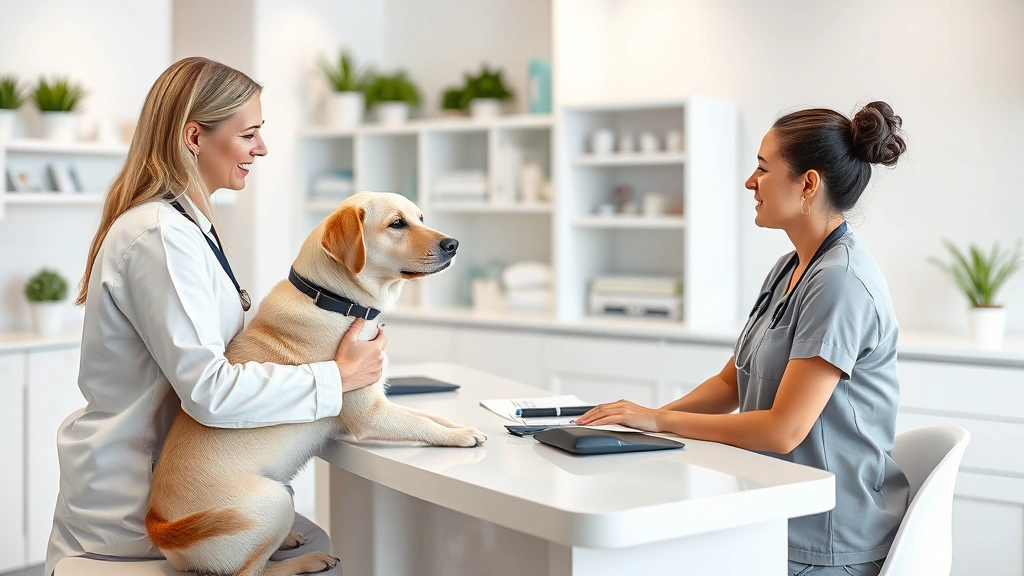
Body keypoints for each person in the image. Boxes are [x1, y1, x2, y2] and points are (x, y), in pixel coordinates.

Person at [43, 57, 385, 576]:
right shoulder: (160, 235)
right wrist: (335, 379)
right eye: (249, 134)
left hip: (175, 493)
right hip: (132, 516)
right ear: (194, 137)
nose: (262, 149)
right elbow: (209, 390)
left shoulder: (186, 226)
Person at [577, 101, 911, 576]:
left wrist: (659, 422)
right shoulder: (790, 268)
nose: (750, 182)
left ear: (808, 183)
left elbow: (782, 429)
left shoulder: (840, 282)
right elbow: (732, 383)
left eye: (762, 168)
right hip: (771, 512)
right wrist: (645, 419)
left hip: (824, 541)